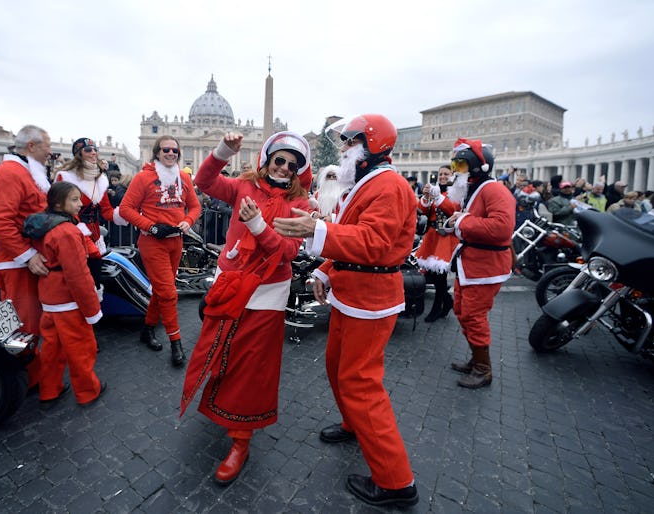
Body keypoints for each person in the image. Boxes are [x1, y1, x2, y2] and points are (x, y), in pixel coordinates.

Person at [272, 114, 419, 508]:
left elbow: (372, 242)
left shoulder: (388, 186)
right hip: (351, 291)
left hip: (369, 299)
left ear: (371, 146)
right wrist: (325, 269)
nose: (342, 149)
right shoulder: (366, 183)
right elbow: (350, 236)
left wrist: (315, 232)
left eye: (349, 142)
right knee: (337, 366)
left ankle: (395, 481)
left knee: (360, 384)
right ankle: (355, 424)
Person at [180, 130, 311, 486]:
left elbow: (286, 253)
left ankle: (241, 441)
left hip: (267, 293)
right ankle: (222, 406)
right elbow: (204, 181)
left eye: (292, 164)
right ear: (267, 160)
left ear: (299, 171)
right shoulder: (241, 187)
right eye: (279, 160)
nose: (284, 168)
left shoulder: (304, 207)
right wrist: (224, 150)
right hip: (230, 283)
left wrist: (257, 225)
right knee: (221, 352)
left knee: (253, 368)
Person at [119, 136, 201, 366]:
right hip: (152, 242)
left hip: (176, 242)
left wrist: (188, 220)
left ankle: (147, 330)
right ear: (157, 152)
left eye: (175, 150)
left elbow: (195, 206)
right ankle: (176, 342)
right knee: (168, 293)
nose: (171, 153)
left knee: (161, 290)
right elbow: (125, 208)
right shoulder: (143, 177)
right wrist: (150, 226)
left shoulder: (183, 177)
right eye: (166, 149)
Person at [22, 181, 106, 407]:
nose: (80, 204)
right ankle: (88, 391)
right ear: (59, 203)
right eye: (75, 199)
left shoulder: (45, 224)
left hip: (49, 296)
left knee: (52, 348)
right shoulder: (67, 231)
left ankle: (49, 389)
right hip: (68, 300)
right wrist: (92, 309)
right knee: (81, 349)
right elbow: (78, 274)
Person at [0, 124, 52, 391]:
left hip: (25, 260)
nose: (50, 151)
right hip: (17, 263)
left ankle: (31, 374)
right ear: (32, 146)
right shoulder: (9, 174)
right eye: (47, 145)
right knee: (24, 324)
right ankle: (30, 380)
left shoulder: (25, 172)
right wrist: (27, 255)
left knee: (30, 320)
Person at [444, 138, 516, 389]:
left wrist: (462, 221)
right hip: (472, 263)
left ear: (477, 167)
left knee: (474, 316)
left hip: (485, 265)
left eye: (461, 165)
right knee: (463, 311)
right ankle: (477, 359)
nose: (456, 170)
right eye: (456, 164)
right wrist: (458, 220)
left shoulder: (494, 190)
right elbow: (467, 217)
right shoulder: (477, 189)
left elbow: (502, 227)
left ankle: (484, 369)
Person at [55, 137, 127, 290]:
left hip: (94, 235)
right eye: (88, 150)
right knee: (81, 274)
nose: (93, 153)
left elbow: (107, 211)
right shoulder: (66, 177)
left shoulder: (100, 179)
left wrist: (126, 213)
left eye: (95, 149)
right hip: (74, 233)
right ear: (79, 154)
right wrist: (81, 231)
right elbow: (60, 210)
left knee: (95, 274)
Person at [416, 165, 458, 322]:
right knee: (432, 275)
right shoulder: (437, 191)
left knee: (440, 277)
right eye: (440, 174)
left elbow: (451, 209)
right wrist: (426, 197)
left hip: (445, 237)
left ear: (452, 175)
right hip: (432, 235)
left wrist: (437, 196)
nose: (442, 177)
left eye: (446, 174)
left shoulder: (455, 192)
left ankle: (437, 307)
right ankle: (447, 302)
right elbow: (422, 210)